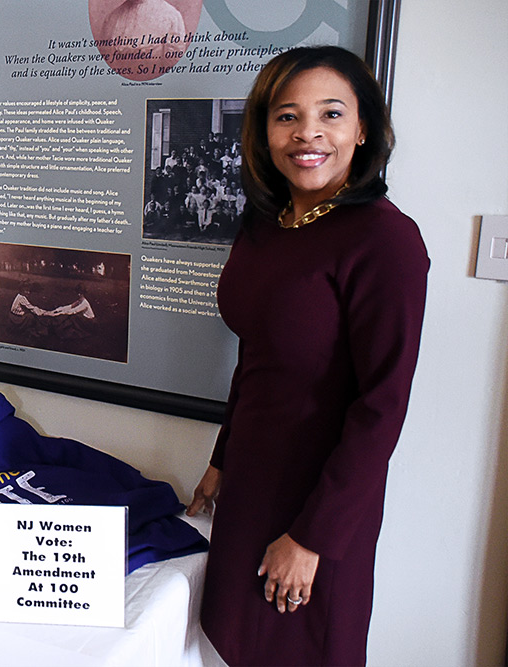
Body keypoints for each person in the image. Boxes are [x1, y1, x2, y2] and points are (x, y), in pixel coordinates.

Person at [185, 46, 428, 666]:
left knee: (300, 649)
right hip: (251, 480)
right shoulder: (266, 225)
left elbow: (383, 406)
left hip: (321, 499)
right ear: (264, 131)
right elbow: (256, 357)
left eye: (331, 113)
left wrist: (312, 537)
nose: (308, 134)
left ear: (363, 127)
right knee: (233, 641)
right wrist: (221, 460)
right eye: (286, 116)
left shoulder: (385, 239)